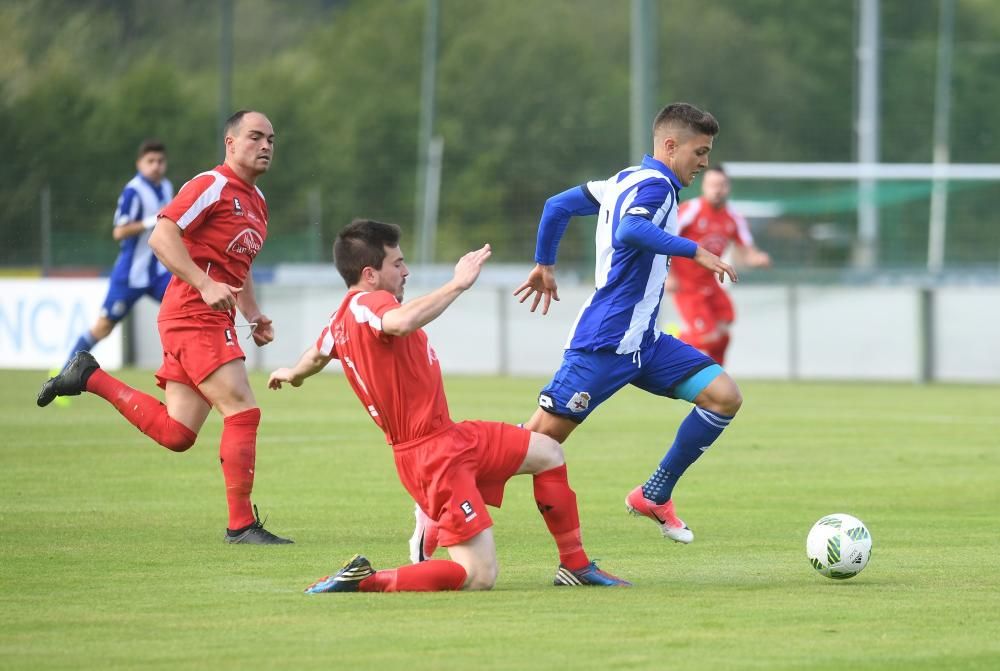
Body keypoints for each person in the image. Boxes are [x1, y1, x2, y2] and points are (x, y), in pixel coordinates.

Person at [268, 219, 628, 592]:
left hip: (451, 437)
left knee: (548, 452)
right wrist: (458, 283)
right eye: (397, 264)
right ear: (369, 274)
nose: (406, 271)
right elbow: (401, 322)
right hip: (432, 457)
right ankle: (366, 580)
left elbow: (315, 356)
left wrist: (292, 373)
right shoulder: (370, 303)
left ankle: (575, 565)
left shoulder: (341, 318)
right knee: (478, 575)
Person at [37, 110, 291, 545]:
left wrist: (253, 314)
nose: (266, 145)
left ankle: (89, 376)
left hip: (203, 315)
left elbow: (240, 265)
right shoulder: (211, 185)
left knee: (178, 433)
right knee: (243, 411)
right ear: (230, 143)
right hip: (193, 313)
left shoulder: (258, 202)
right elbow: (161, 236)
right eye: (255, 137)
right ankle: (241, 526)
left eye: (271, 139)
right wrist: (205, 282)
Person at [509, 102, 744, 545]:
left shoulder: (621, 180)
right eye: (700, 151)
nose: (704, 163)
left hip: (645, 343)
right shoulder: (655, 187)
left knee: (723, 396)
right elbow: (630, 233)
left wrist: (545, 262)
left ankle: (654, 495)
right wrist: (694, 250)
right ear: (670, 145)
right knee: (537, 445)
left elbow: (557, 206)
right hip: (607, 341)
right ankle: (444, 493)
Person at [62, 139, 173, 369]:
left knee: (189, 310)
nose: (156, 166)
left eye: (160, 161)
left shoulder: (167, 187)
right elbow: (119, 231)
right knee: (103, 328)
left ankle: (193, 374)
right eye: (150, 161)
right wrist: (151, 220)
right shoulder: (134, 191)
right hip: (130, 275)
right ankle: (63, 376)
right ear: (139, 163)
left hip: (160, 272)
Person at [667, 165, 771, 365]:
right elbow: (666, 239)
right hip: (687, 285)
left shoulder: (733, 217)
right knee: (708, 337)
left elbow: (747, 251)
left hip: (711, 284)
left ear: (728, 188)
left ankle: (717, 375)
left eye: (721, 185)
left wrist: (757, 258)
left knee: (724, 331)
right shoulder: (692, 210)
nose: (717, 190)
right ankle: (674, 336)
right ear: (704, 187)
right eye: (713, 185)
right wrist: (669, 275)